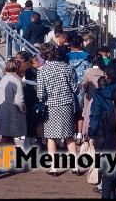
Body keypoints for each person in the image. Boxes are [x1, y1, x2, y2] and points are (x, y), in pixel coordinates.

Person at [36, 43, 81, 176]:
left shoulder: (42, 71)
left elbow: (40, 94)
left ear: (43, 55)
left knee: (51, 137)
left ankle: (54, 168)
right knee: (69, 136)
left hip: (51, 106)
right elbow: (75, 89)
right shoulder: (67, 68)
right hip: (66, 105)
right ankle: (75, 167)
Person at [94, 87, 116, 199]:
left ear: (112, 101)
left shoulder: (107, 114)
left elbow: (101, 135)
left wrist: (98, 149)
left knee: (107, 178)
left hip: (108, 149)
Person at [66, 35, 92, 143]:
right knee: (81, 111)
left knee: (70, 111)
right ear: (81, 44)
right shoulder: (87, 56)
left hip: (69, 87)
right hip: (82, 87)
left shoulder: (66, 56)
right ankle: (80, 134)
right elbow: (88, 71)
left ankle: (70, 134)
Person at [0, 58, 27, 146]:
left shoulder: (4, 79)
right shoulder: (16, 81)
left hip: (3, 111)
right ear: (17, 68)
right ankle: (4, 158)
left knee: (7, 138)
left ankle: (6, 158)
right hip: (13, 113)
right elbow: (19, 101)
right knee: (7, 138)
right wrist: (23, 110)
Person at [79, 53, 106, 141]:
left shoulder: (87, 72)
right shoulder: (104, 72)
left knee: (88, 118)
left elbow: (84, 85)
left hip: (90, 97)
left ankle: (87, 137)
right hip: (102, 98)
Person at [23, 64, 39, 150]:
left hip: (24, 111)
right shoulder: (37, 87)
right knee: (33, 133)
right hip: (35, 112)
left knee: (28, 134)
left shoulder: (22, 85)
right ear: (34, 77)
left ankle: (26, 150)